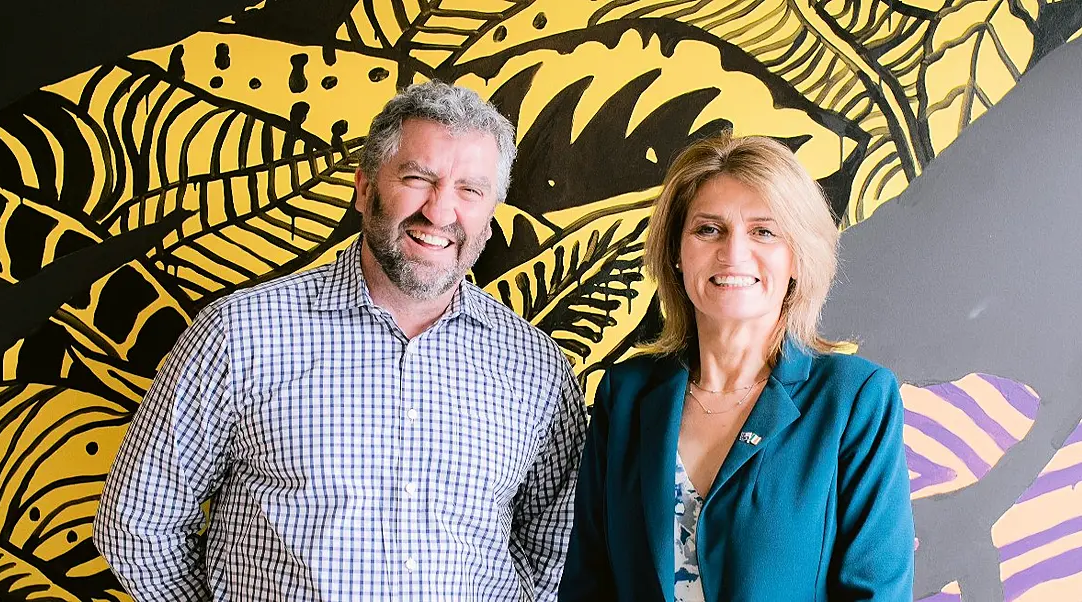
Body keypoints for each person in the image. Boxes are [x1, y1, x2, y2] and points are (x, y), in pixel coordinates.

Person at [94, 81, 588, 601]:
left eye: (471, 189)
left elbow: (559, 547)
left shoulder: (537, 369)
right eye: (418, 178)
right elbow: (137, 525)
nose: (441, 212)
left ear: (490, 215)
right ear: (364, 187)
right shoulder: (240, 334)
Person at [559, 135, 914, 601]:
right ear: (676, 253)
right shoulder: (624, 395)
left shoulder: (854, 399)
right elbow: (589, 584)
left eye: (764, 231)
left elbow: (878, 593)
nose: (734, 253)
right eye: (709, 229)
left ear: (796, 258)